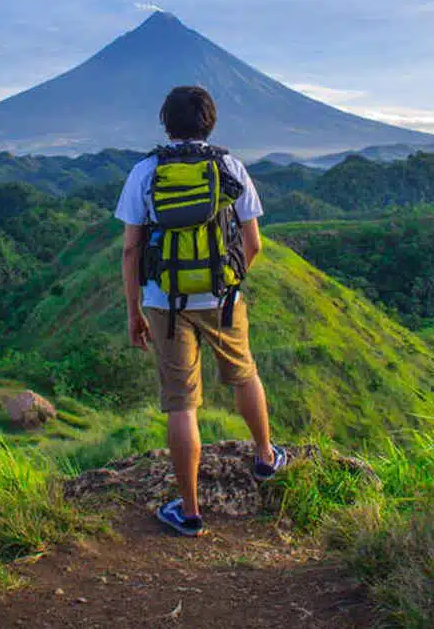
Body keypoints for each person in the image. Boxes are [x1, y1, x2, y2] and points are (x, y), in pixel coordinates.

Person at [115, 85, 284, 537]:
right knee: (244, 373)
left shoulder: (145, 171)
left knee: (181, 403)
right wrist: (227, 282)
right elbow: (254, 244)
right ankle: (266, 457)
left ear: (165, 123)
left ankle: (190, 513)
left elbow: (131, 250)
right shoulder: (229, 166)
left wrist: (134, 310)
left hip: (163, 301)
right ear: (210, 122)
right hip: (222, 298)